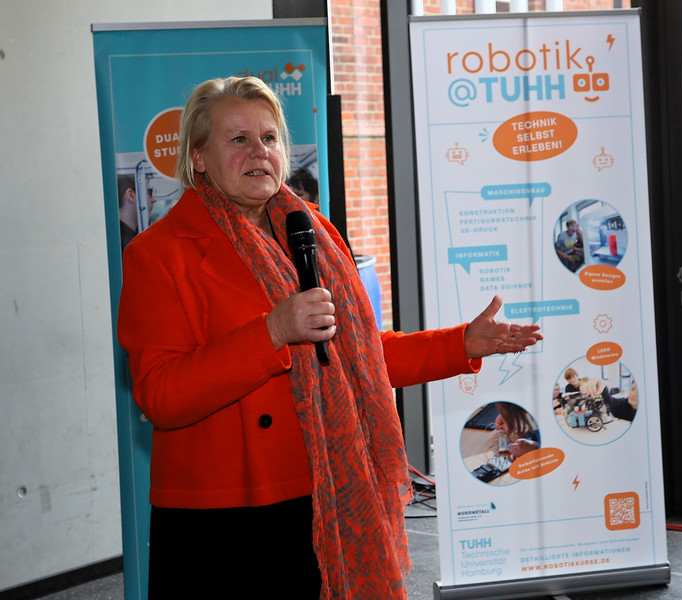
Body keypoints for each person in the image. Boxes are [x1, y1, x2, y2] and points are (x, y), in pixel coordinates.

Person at [117, 76, 542, 599]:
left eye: (269, 138)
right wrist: (273, 331)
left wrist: (460, 345)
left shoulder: (312, 232)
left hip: (324, 488)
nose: (260, 152)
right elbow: (161, 396)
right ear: (198, 157)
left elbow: (355, 356)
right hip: (223, 516)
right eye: (239, 139)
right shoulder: (158, 254)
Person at [117, 173, 157, 251]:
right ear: (131, 195)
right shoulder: (124, 245)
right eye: (149, 193)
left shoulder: (117, 237)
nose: (154, 199)